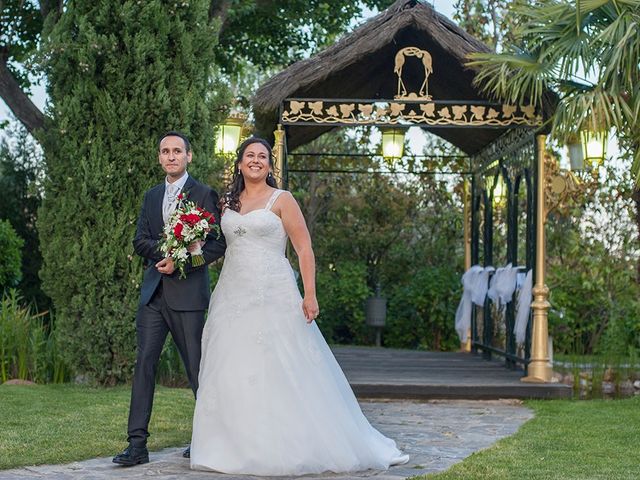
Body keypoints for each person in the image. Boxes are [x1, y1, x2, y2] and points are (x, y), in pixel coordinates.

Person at [190, 137, 409, 475]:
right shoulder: (227, 202)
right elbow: (221, 246)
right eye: (250, 155)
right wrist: (190, 250)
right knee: (231, 366)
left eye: (262, 156)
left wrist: (310, 293)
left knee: (281, 364)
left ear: (269, 165)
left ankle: (289, 443)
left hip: (273, 293)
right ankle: (232, 446)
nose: (256, 161)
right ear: (239, 163)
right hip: (232, 294)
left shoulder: (283, 199)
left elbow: (304, 249)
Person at [113, 131, 226, 466]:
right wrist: (167, 251)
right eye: (165, 151)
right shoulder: (151, 196)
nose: (171, 156)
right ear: (160, 157)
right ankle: (137, 446)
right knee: (144, 365)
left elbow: (217, 245)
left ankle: (208, 439)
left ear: (189, 156)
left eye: (177, 151)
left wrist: (181, 260)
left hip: (188, 295)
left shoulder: (204, 193)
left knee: (196, 369)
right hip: (153, 296)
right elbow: (140, 240)